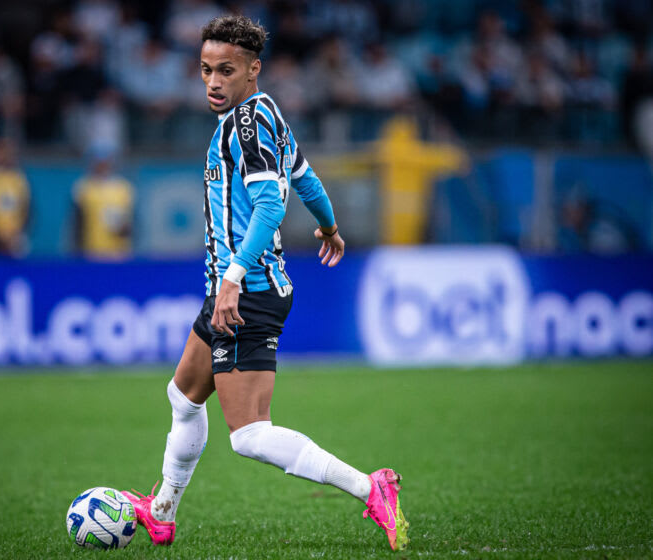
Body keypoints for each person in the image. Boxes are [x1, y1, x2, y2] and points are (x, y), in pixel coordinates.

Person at [121, 15, 408, 552]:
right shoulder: (269, 112)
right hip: (232, 289)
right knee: (183, 396)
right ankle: (162, 512)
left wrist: (231, 280)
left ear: (253, 69)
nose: (212, 82)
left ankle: (372, 488)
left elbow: (272, 204)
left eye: (225, 71)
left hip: (244, 292)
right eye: (205, 70)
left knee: (249, 435)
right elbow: (304, 177)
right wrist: (328, 225)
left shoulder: (247, 124)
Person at [71, 152, 134, 258]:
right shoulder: (83, 188)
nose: (102, 166)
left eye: (105, 162)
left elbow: (133, 223)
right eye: (99, 163)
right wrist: (77, 248)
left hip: (118, 252)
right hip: (90, 250)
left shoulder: (124, 188)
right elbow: (77, 222)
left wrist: (125, 229)